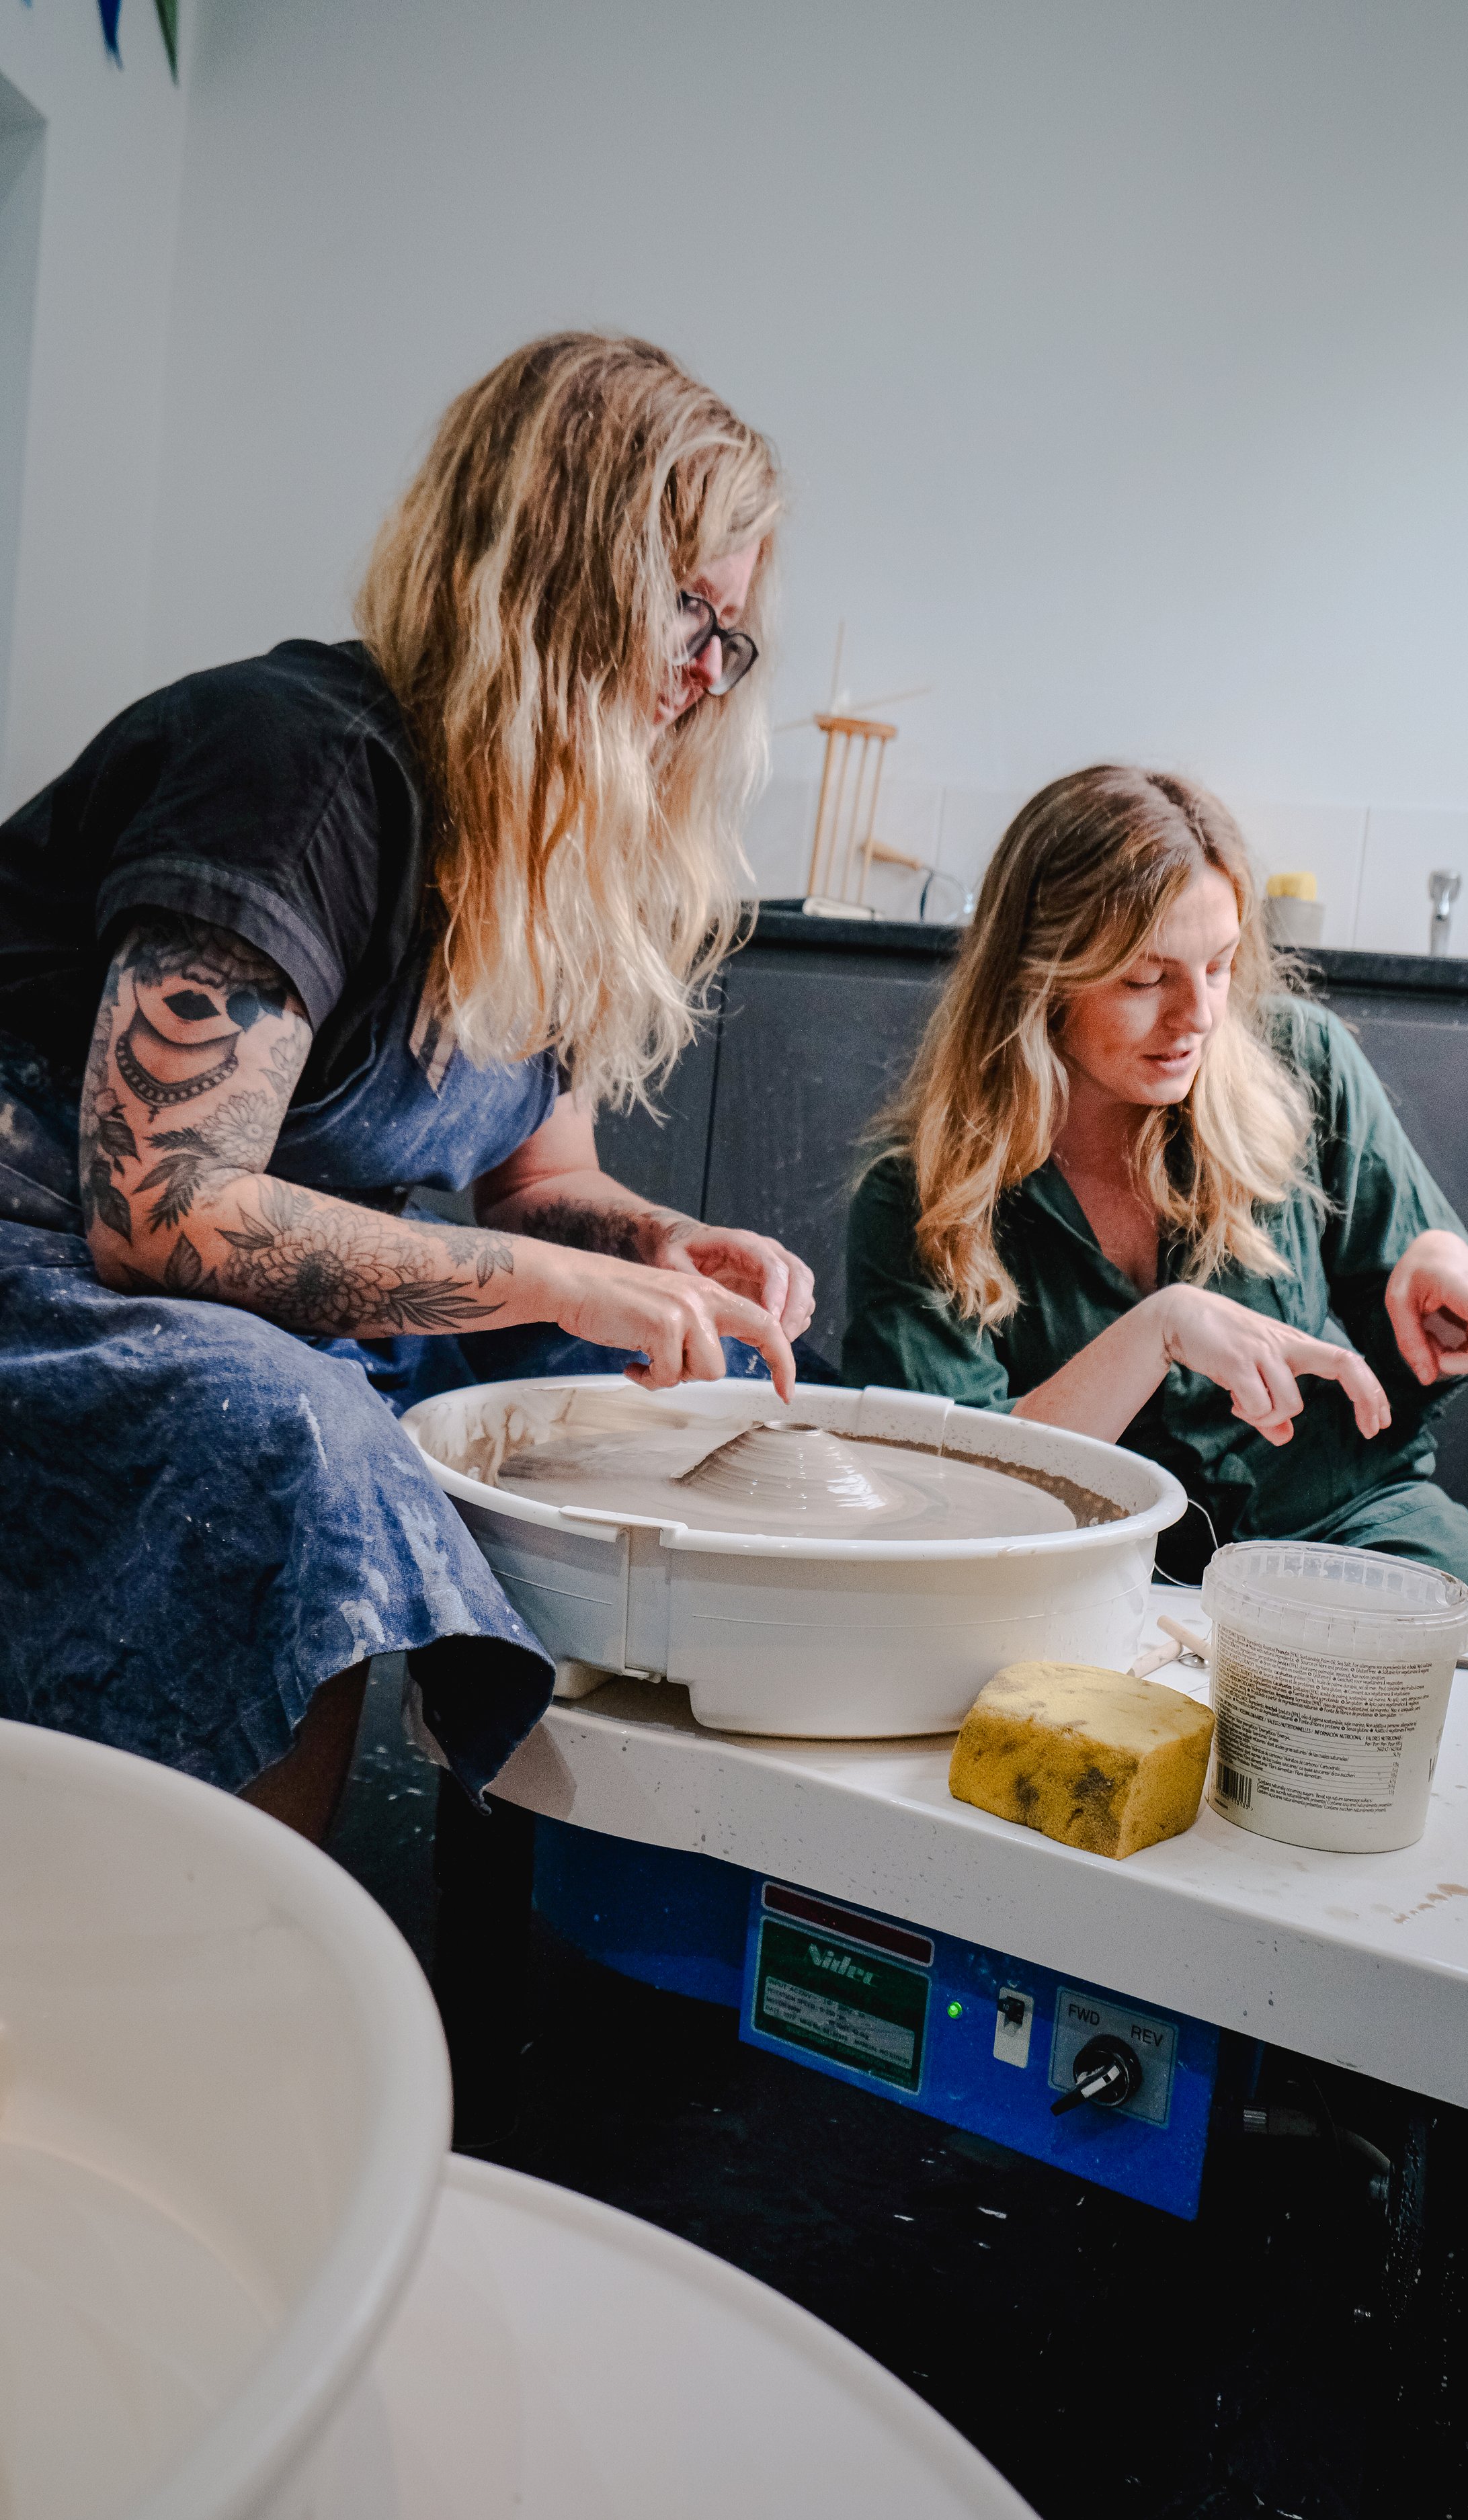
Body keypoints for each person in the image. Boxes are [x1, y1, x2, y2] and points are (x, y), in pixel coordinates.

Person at [0, 333, 815, 1841]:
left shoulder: (554, 847)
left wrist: (647, 1252)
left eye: (735, 630)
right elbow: (158, 1215)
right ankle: (237, 1954)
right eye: (684, 608)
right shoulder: (301, 768)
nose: (707, 673)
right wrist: (545, 1287)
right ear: (555, 570)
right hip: (46, 1258)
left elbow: (533, 1186)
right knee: (289, 1438)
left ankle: (581, 1922)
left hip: (276, 1281)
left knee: (711, 1404)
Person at [843, 765, 1468, 1865]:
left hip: (1342, 1525)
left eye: (1222, 965)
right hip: (1098, 1586)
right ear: (1038, 977)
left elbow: (1416, 1260)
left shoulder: (1298, 1065)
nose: (1198, 1017)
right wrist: (1157, 1329)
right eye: (1145, 978)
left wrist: (1442, 1270)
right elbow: (965, 1504)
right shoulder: (921, 1198)